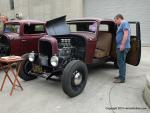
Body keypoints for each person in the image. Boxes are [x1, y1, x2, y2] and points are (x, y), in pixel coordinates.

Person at [114, 14, 131, 83]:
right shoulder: (120, 25)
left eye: (115, 20)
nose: (115, 22)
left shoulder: (124, 23)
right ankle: (121, 75)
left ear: (119, 18)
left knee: (121, 62)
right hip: (120, 46)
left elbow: (126, 34)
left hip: (123, 46)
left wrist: (122, 45)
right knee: (120, 62)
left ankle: (122, 78)